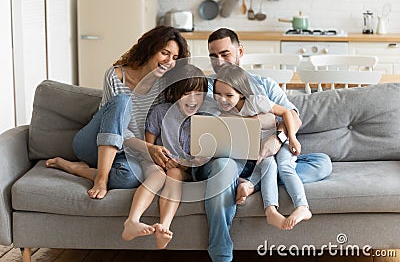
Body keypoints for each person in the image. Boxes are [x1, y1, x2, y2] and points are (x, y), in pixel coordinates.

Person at [198, 28, 332, 262]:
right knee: (223, 168)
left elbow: (293, 117)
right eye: (213, 56)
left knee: (322, 163)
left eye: (225, 54)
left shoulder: (264, 85)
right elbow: (203, 129)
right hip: (225, 161)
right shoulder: (206, 90)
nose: (219, 62)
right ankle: (220, 251)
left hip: (262, 158)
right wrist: (255, 122)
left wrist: (277, 139)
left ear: (240, 51)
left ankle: (251, 184)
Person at [45, 26, 190, 199]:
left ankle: (76, 168)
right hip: (93, 143)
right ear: (150, 48)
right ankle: (101, 178)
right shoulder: (115, 76)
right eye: (165, 53)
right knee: (122, 101)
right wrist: (148, 148)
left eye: (175, 58)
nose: (169, 61)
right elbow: (112, 121)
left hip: (127, 152)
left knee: (127, 179)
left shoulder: (164, 86)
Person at [214, 64, 312, 230]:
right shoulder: (225, 111)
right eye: (218, 94)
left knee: (284, 165)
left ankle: (302, 206)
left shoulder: (256, 101)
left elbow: (286, 113)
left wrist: (293, 139)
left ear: (241, 93)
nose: (222, 99)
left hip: (281, 141)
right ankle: (271, 211)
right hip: (262, 152)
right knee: (269, 165)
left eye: (229, 95)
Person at [121, 64, 209, 249]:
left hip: (181, 169)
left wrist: (182, 164)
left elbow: (198, 160)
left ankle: (164, 228)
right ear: (175, 94)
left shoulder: (203, 121)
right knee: (157, 175)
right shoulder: (160, 112)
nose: (193, 99)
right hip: (157, 163)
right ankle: (132, 221)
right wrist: (159, 159)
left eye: (198, 94)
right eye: (186, 93)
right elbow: (148, 146)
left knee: (175, 174)